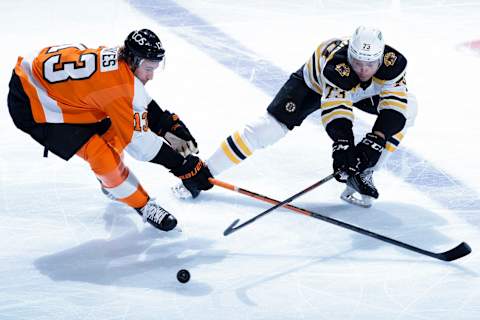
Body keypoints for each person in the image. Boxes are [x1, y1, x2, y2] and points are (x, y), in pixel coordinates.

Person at [174, 26, 417, 208]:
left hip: (362, 91)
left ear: (382, 57)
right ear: (349, 55)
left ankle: (365, 172)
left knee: (410, 106)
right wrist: (343, 147)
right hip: (313, 85)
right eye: (357, 62)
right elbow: (337, 110)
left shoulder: (393, 64)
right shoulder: (337, 67)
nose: (363, 69)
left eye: (371, 64)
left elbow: (394, 106)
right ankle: (203, 171)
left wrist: (374, 141)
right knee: (267, 129)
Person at [7, 29, 213, 231]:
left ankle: (113, 185)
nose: (151, 76)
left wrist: (168, 126)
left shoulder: (120, 63)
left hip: (62, 92)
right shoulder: (117, 86)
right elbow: (139, 144)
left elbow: (137, 101)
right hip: (33, 104)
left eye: (155, 68)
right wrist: (181, 166)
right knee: (103, 158)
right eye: (149, 68)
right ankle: (143, 205)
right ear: (134, 61)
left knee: (114, 136)